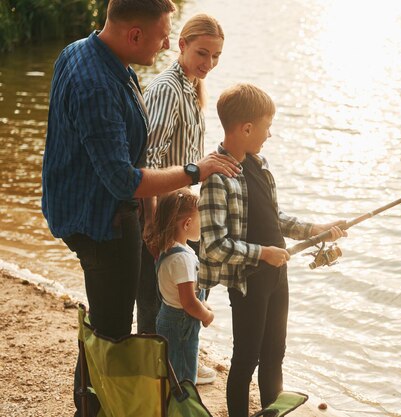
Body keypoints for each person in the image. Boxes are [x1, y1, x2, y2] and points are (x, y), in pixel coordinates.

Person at [40, 1, 239, 414]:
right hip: (102, 223)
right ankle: (92, 408)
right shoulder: (96, 82)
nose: (168, 42)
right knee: (112, 330)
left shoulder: (86, 52)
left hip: (90, 210)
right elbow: (124, 179)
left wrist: (149, 216)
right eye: (163, 34)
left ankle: (90, 403)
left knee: (104, 323)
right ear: (134, 34)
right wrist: (193, 172)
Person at [198, 83, 347, 417]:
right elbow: (214, 244)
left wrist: (314, 229)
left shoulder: (259, 164)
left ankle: (272, 413)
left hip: (277, 275)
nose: (269, 134)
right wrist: (262, 253)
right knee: (246, 359)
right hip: (249, 280)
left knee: (274, 355)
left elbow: (273, 217)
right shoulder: (216, 177)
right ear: (247, 128)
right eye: (266, 127)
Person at [136, 13, 225, 383]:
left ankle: (180, 357)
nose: (209, 63)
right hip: (161, 218)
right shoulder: (168, 89)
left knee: (185, 290)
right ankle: (158, 373)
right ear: (182, 45)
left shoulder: (191, 87)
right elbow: (148, 160)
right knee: (160, 300)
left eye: (216, 56)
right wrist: (154, 230)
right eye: (202, 53)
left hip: (181, 216)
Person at [144, 188, 214, 384]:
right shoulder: (182, 259)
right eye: (201, 221)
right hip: (182, 325)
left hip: (168, 316)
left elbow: (178, 292)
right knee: (183, 374)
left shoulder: (168, 249)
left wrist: (204, 304)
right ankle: (180, 408)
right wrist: (206, 315)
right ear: (188, 223)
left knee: (170, 369)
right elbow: (189, 302)